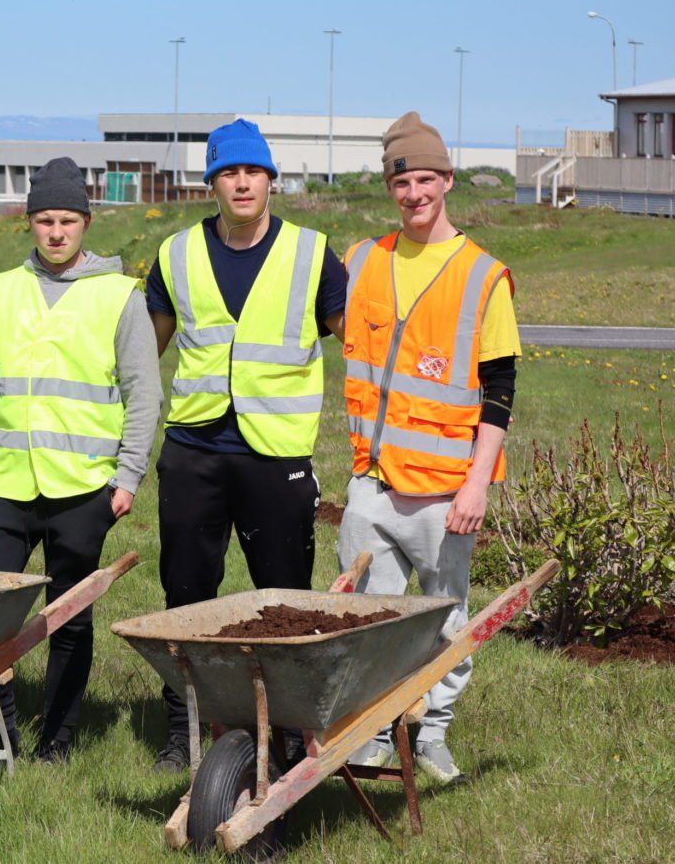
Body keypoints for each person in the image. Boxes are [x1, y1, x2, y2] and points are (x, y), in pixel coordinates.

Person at [144, 119, 346, 771]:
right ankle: (185, 728)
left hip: (275, 454)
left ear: (270, 180)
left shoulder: (313, 254)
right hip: (193, 449)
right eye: (227, 172)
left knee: (284, 603)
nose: (240, 183)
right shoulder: (176, 254)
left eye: (252, 171)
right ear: (212, 182)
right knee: (185, 596)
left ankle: (284, 735)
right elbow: (144, 355)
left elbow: (363, 343)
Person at [0, 157, 160, 762]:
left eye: (68, 220)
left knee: (69, 619)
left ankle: (57, 742)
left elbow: (145, 394)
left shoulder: (119, 296)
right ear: (29, 222)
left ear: (86, 222)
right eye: (45, 220)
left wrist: (127, 478)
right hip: (4, 483)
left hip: (84, 488)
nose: (57, 232)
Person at [338, 111, 519, 783]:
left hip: (446, 492)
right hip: (373, 481)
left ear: (447, 180)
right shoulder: (363, 260)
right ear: (390, 188)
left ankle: (435, 733)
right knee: (370, 619)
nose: (413, 194)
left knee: (446, 620)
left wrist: (477, 484)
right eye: (401, 182)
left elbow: (500, 390)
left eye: (424, 179)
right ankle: (375, 733)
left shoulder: (482, 274)